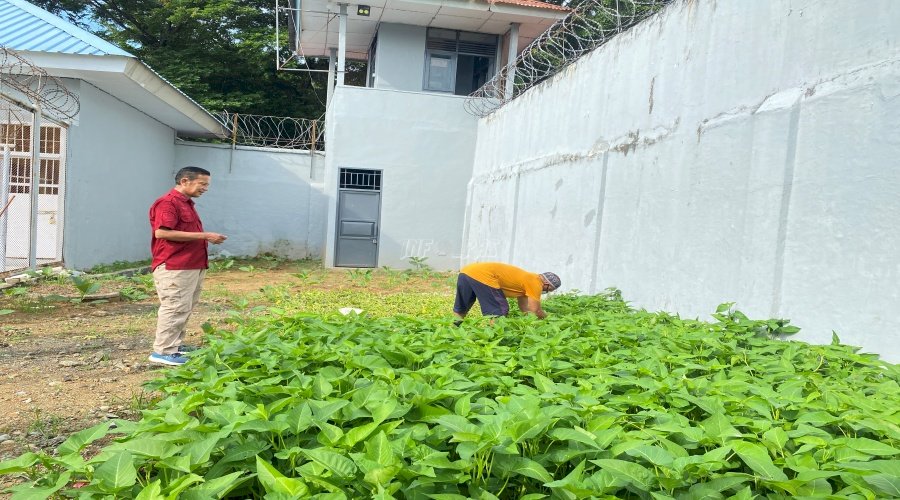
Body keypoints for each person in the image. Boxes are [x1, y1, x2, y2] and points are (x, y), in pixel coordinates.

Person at [147, 166, 227, 366]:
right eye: (202, 184)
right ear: (184, 181)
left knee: (185, 307)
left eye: (207, 184)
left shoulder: (186, 204)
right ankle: (163, 351)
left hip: (190, 265)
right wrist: (206, 236)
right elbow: (162, 233)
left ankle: (174, 345)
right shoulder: (168, 203)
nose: (206, 188)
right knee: (175, 307)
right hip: (175, 266)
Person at [453, 262, 560, 321]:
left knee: (462, 306)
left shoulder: (527, 280)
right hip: (485, 276)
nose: (545, 292)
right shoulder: (536, 282)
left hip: (467, 271)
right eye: (548, 290)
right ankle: (494, 338)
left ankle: (453, 331)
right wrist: (547, 319)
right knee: (498, 311)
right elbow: (535, 309)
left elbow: (525, 308)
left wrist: (527, 321)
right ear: (546, 284)